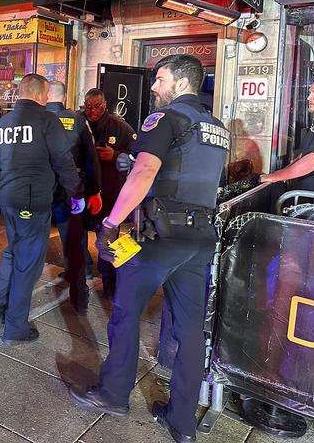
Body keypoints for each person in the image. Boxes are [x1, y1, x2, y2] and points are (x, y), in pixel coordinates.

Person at [68, 55, 230, 443]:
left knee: (124, 313)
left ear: (181, 80)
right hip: (200, 237)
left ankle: (113, 394)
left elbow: (145, 172)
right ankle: (182, 422)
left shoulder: (166, 118)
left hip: (160, 236)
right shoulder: (216, 127)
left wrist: (109, 223)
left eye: (160, 79)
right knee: (191, 331)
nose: (155, 87)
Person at [0, 74, 84, 343]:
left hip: (8, 199)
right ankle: (15, 328)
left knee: (13, 252)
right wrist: (76, 192)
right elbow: (63, 161)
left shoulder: (2, 123)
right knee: (28, 264)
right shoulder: (47, 120)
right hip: (33, 201)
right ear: (42, 94)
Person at [46, 81, 101, 313]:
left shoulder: (38, 117)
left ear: (46, 94)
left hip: (42, 186)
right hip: (71, 186)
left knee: (33, 236)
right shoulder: (78, 120)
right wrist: (95, 189)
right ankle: (80, 280)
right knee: (72, 234)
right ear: (65, 95)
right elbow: (90, 156)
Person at [82, 87, 137, 297]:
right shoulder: (79, 122)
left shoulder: (120, 126)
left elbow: (137, 155)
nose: (92, 111)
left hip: (109, 193)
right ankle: (81, 272)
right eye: (88, 107)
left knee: (107, 240)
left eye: (97, 106)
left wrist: (115, 155)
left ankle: (111, 284)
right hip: (83, 191)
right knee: (76, 235)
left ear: (105, 104)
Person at [260, 77, 314, 193]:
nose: (309, 98)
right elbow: (306, 154)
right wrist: (282, 173)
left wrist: (277, 177)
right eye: (309, 93)